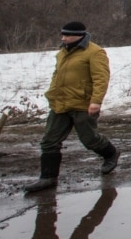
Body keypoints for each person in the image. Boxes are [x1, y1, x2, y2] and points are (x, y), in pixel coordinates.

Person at [24, 21, 120, 194]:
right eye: (62, 35)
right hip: (60, 103)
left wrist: (96, 101)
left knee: (89, 139)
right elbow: (57, 75)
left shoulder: (94, 52)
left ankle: (110, 154)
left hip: (83, 104)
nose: (63, 38)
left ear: (79, 36)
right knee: (49, 141)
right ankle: (47, 178)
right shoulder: (62, 52)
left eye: (67, 35)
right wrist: (52, 93)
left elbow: (101, 78)